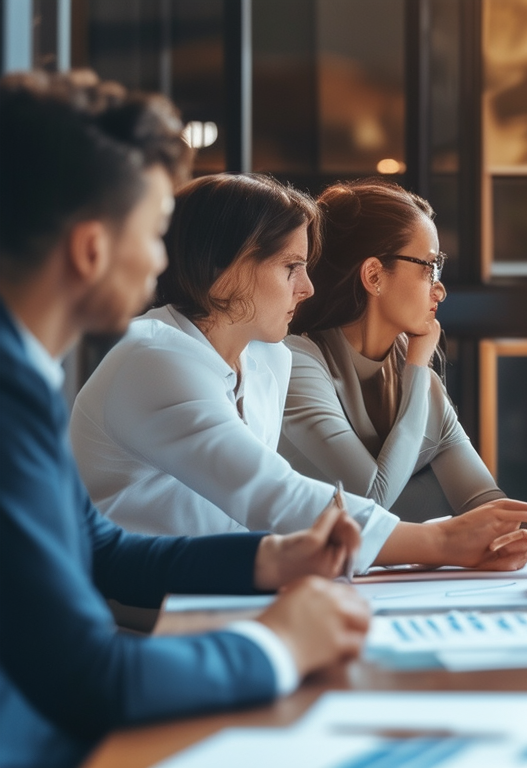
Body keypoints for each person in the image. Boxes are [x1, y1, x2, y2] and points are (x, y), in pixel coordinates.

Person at [0, 70, 370, 768]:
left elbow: (102, 549)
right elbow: (90, 679)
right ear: (90, 249)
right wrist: (281, 643)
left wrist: (269, 557)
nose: (165, 259)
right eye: (155, 231)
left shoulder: (25, 374)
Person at [71, 173, 527, 572]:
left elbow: (269, 518)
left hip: (218, 585)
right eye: (291, 267)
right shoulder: (153, 358)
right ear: (226, 269)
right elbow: (272, 494)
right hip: (132, 604)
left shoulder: (266, 360)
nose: (307, 287)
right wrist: (440, 543)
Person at [281, 178, 527, 545]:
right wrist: (417, 368)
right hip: (305, 588)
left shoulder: (421, 383)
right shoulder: (299, 363)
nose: (440, 287)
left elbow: (486, 506)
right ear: (373, 275)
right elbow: (371, 499)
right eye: (429, 266)